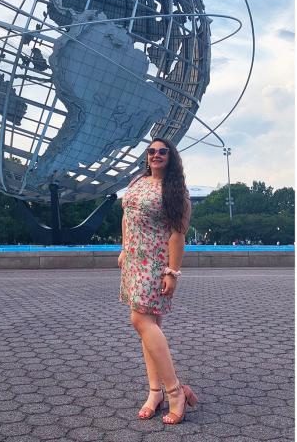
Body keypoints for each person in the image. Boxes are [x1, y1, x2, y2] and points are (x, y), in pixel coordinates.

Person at [117, 138, 199, 425]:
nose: (155, 155)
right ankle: (155, 393)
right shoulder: (139, 181)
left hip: (156, 264)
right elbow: (127, 216)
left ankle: (175, 391)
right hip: (134, 262)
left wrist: (172, 272)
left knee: (139, 321)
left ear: (171, 157)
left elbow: (178, 235)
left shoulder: (176, 191)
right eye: (151, 151)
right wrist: (124, 248)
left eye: (162, 152)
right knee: (148, 327)